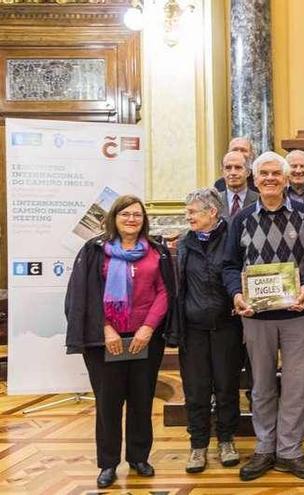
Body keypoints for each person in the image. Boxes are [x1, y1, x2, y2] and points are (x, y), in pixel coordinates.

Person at [65, 195, 174, 489]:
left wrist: (148, 328)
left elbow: (165, 293)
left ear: (144, 220)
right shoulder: (96, 251)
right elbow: (84, 294)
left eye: (137, 215)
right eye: (125, 214)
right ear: (114, 217)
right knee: (108, 403)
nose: (131, 219)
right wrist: (106, 329)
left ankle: (139, 458)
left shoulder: (156, 252)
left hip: (144, 340)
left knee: (141, 399)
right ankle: (108, 463)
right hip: (105, 342)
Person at [222, 151, 304, 481]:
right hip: (255, 316)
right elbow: (230, 265)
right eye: (263, 173)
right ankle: (264, 449)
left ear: (288, 178)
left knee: (296, 387)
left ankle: (290, 451)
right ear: (254, 177)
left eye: (276, 174)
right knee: (262, 386)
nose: (270, 179)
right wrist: (236, 294)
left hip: (297, 315)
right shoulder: (242, 219)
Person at [171, 188, 242, 473]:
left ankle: (226, 441)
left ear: (212, 212)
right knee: (197, 390)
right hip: (194, 331)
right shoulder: (185, 244)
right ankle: (198, 446)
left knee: (226, 388)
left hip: (227, 327)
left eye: (193, 211)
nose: (188, 216)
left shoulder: (231, 239)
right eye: (187, 211)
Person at [219, 151, 259, 219]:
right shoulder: (214, 202)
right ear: (222, 172)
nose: (233, 172)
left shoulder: (259, 200)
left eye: (238, 167)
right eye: (228, 168)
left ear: (248, 172)